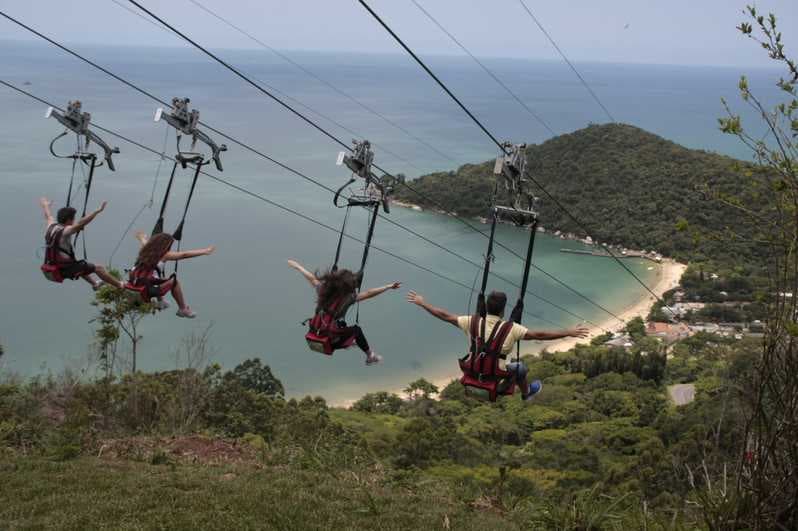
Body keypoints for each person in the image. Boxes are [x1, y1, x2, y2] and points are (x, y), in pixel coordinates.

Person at [406, 290, 589, 400]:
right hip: (497, 377)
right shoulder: (512, 329)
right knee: (520, 368)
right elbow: (539, 335)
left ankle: (522, 392)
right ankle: (527, 393)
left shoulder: (472, 322)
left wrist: (423, 303)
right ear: (503, 309)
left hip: (473, 371)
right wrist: (568, 332)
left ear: (485, 306)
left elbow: (445, 316)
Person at [288, 259, 400, 365]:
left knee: (341, 328)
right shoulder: (347, 299)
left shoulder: (323, 289)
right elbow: (368, 293)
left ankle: (351, 342)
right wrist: (388, 286)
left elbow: (311, 278)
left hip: (315, 334)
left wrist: (297, 266)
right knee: (357, 330)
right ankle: (370, 356)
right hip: (330, 341)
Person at [39, 197, 124, 290]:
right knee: (98, 268)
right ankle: (120, 285)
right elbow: (81, 223)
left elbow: (48, 215)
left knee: (80, 265)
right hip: (64, 269)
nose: (74, 222)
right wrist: (97, 211)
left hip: (52, 266)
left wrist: (46, 205)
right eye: (73, 219)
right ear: (68, 220)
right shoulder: (66, 230)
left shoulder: (51, 226)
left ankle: (95, 284)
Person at [129, 231, 215, 319]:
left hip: (134, 284)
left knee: (158, 277)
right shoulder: (164, 255)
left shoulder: (145, 249)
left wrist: (141, 237)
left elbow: (144, 241)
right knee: (174, 282)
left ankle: (160, 302)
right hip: (147, 290)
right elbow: (184, 254)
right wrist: (205, 251)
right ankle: (183, 309)